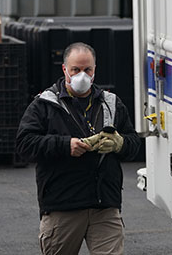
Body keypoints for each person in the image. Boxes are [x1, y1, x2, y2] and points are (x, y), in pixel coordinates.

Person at [16, 42, 141, 255]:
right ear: (64, 69)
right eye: (75, 70)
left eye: (87, 70)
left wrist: (119, 144)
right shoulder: (44, 105)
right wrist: (65, 145)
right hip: (63, 207)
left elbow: (134, 144)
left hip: (105, 206)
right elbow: (25, 144)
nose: (81, 75)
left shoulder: (111, 103)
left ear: (94, 71)